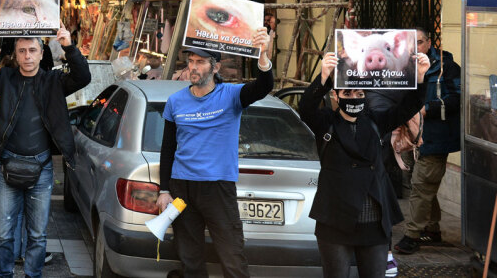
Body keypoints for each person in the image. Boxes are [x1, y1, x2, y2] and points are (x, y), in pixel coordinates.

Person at [0, 22, 91, 278]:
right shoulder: (4, 79)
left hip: (43, 168)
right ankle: (3, 274)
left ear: (41, 53)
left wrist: (69, 46)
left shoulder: (53, 81)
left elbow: (83, 77)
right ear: (15, 54)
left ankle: (32, 275)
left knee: (37, 234)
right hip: (8, 166)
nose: (27, 56)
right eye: (22, 51)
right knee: (3, 233)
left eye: (32, 50)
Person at [299, 51, 431, 278]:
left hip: (374, 222)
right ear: (336, 96)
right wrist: (323, 76)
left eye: (359, 93)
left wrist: (419, 77)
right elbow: (306, 108)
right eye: (347, 92)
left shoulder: (376, 121)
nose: (353, 97)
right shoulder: (325, 123)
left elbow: (408, 106)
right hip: (335, 220)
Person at [156, 30, 273, 278]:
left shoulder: (230, 95)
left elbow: (263, 87)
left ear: (215, 67)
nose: (193, 67)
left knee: (232, 256)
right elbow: (168, 149)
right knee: (190, 258)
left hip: (218, 187)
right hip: (182, 187)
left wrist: (263, 56)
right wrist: (164, 190)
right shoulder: (175, 101)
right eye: (190, 62)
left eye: (200, 62)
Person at [393, 27, 461, 255]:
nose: (415, 48)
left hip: (435, 138)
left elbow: (456, 99)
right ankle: (431, 229)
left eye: (419, 43)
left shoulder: (446, 67)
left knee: (421, 186)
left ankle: (412, 235)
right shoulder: (404, 66)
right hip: (410, 138)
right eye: (410, 44)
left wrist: (426, 110)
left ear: (429, 42)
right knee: (418, 183)